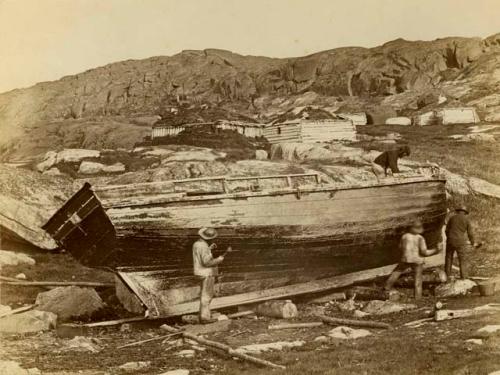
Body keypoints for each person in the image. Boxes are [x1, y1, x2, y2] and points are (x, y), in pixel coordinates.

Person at [384, 220, 442, 299]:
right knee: (418, 278)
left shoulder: (404, 236)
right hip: (417, 261)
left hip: (406, 258)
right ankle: (417, 297)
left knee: (396, 272)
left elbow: (400, 247)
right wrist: (436, 250)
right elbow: (424, 252)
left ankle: (387, 287)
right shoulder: (420, 238)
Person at [192, 227, 226, 323]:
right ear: (209, 238)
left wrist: (209, 249)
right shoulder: (203, 246)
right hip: (206, 273)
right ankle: (205, 318)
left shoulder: (197, 244)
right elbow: (206, 263)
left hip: (199, 272)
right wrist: (219, 259)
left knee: (204, 294)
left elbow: (201, 255)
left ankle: (203, 315)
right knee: (207, 295)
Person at [445, 205, 478, 279]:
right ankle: (463, 277)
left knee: (448, 258)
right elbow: (470, 233)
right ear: (465, 212)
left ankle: (447, 276)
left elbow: (446, 230)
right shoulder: (466, 220)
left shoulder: (452, 218)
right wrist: (473, 243)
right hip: (460, 242)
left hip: (450, 241)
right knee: (462, 259)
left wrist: (449, 238)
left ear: (458, 211)